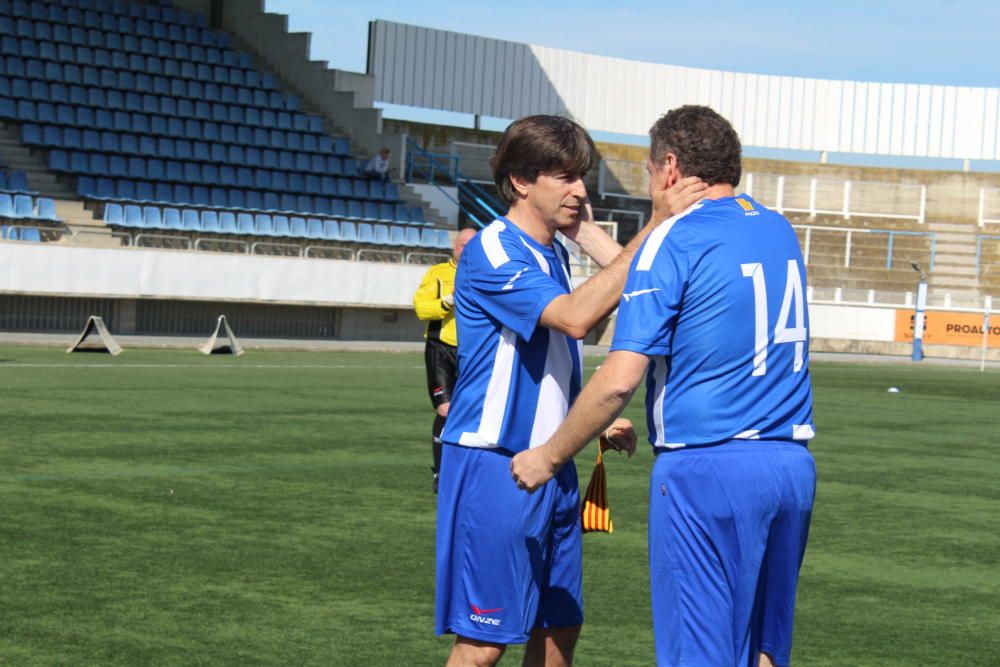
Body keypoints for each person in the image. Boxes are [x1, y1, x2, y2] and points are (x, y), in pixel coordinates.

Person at [511, 106, 817, 667]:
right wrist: (598, 238)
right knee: (763, 652)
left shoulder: (673, 239)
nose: (652, 181)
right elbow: (677, 279)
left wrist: (550, 456)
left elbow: (617, 382)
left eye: (652, 169)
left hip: (708, 471)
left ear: (671, 167)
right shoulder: (775, 227)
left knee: (700, 654)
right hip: (790, 466)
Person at [435, 114, 707, 667]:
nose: (580, 190)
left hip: (552, 463)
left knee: (561, 627)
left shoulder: (553, 251)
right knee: (484, 644)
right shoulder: (493, 250)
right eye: (564, 177)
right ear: (521, 182)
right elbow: (576, 318)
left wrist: (595, 418)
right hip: (497, 463)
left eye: (580, 177)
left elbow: (562, 344)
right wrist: (654, 223)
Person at [413, 227, 477, 493]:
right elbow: (421, 308)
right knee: (445, 410)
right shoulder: (437, 273)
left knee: (474, 411)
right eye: (463, 245)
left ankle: (467, 469)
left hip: (473, 350)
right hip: (440, 349)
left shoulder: (484, 274)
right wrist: (447, 300)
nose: (466, 250)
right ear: (455, 246)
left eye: (471, 246)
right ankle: (441, 472)